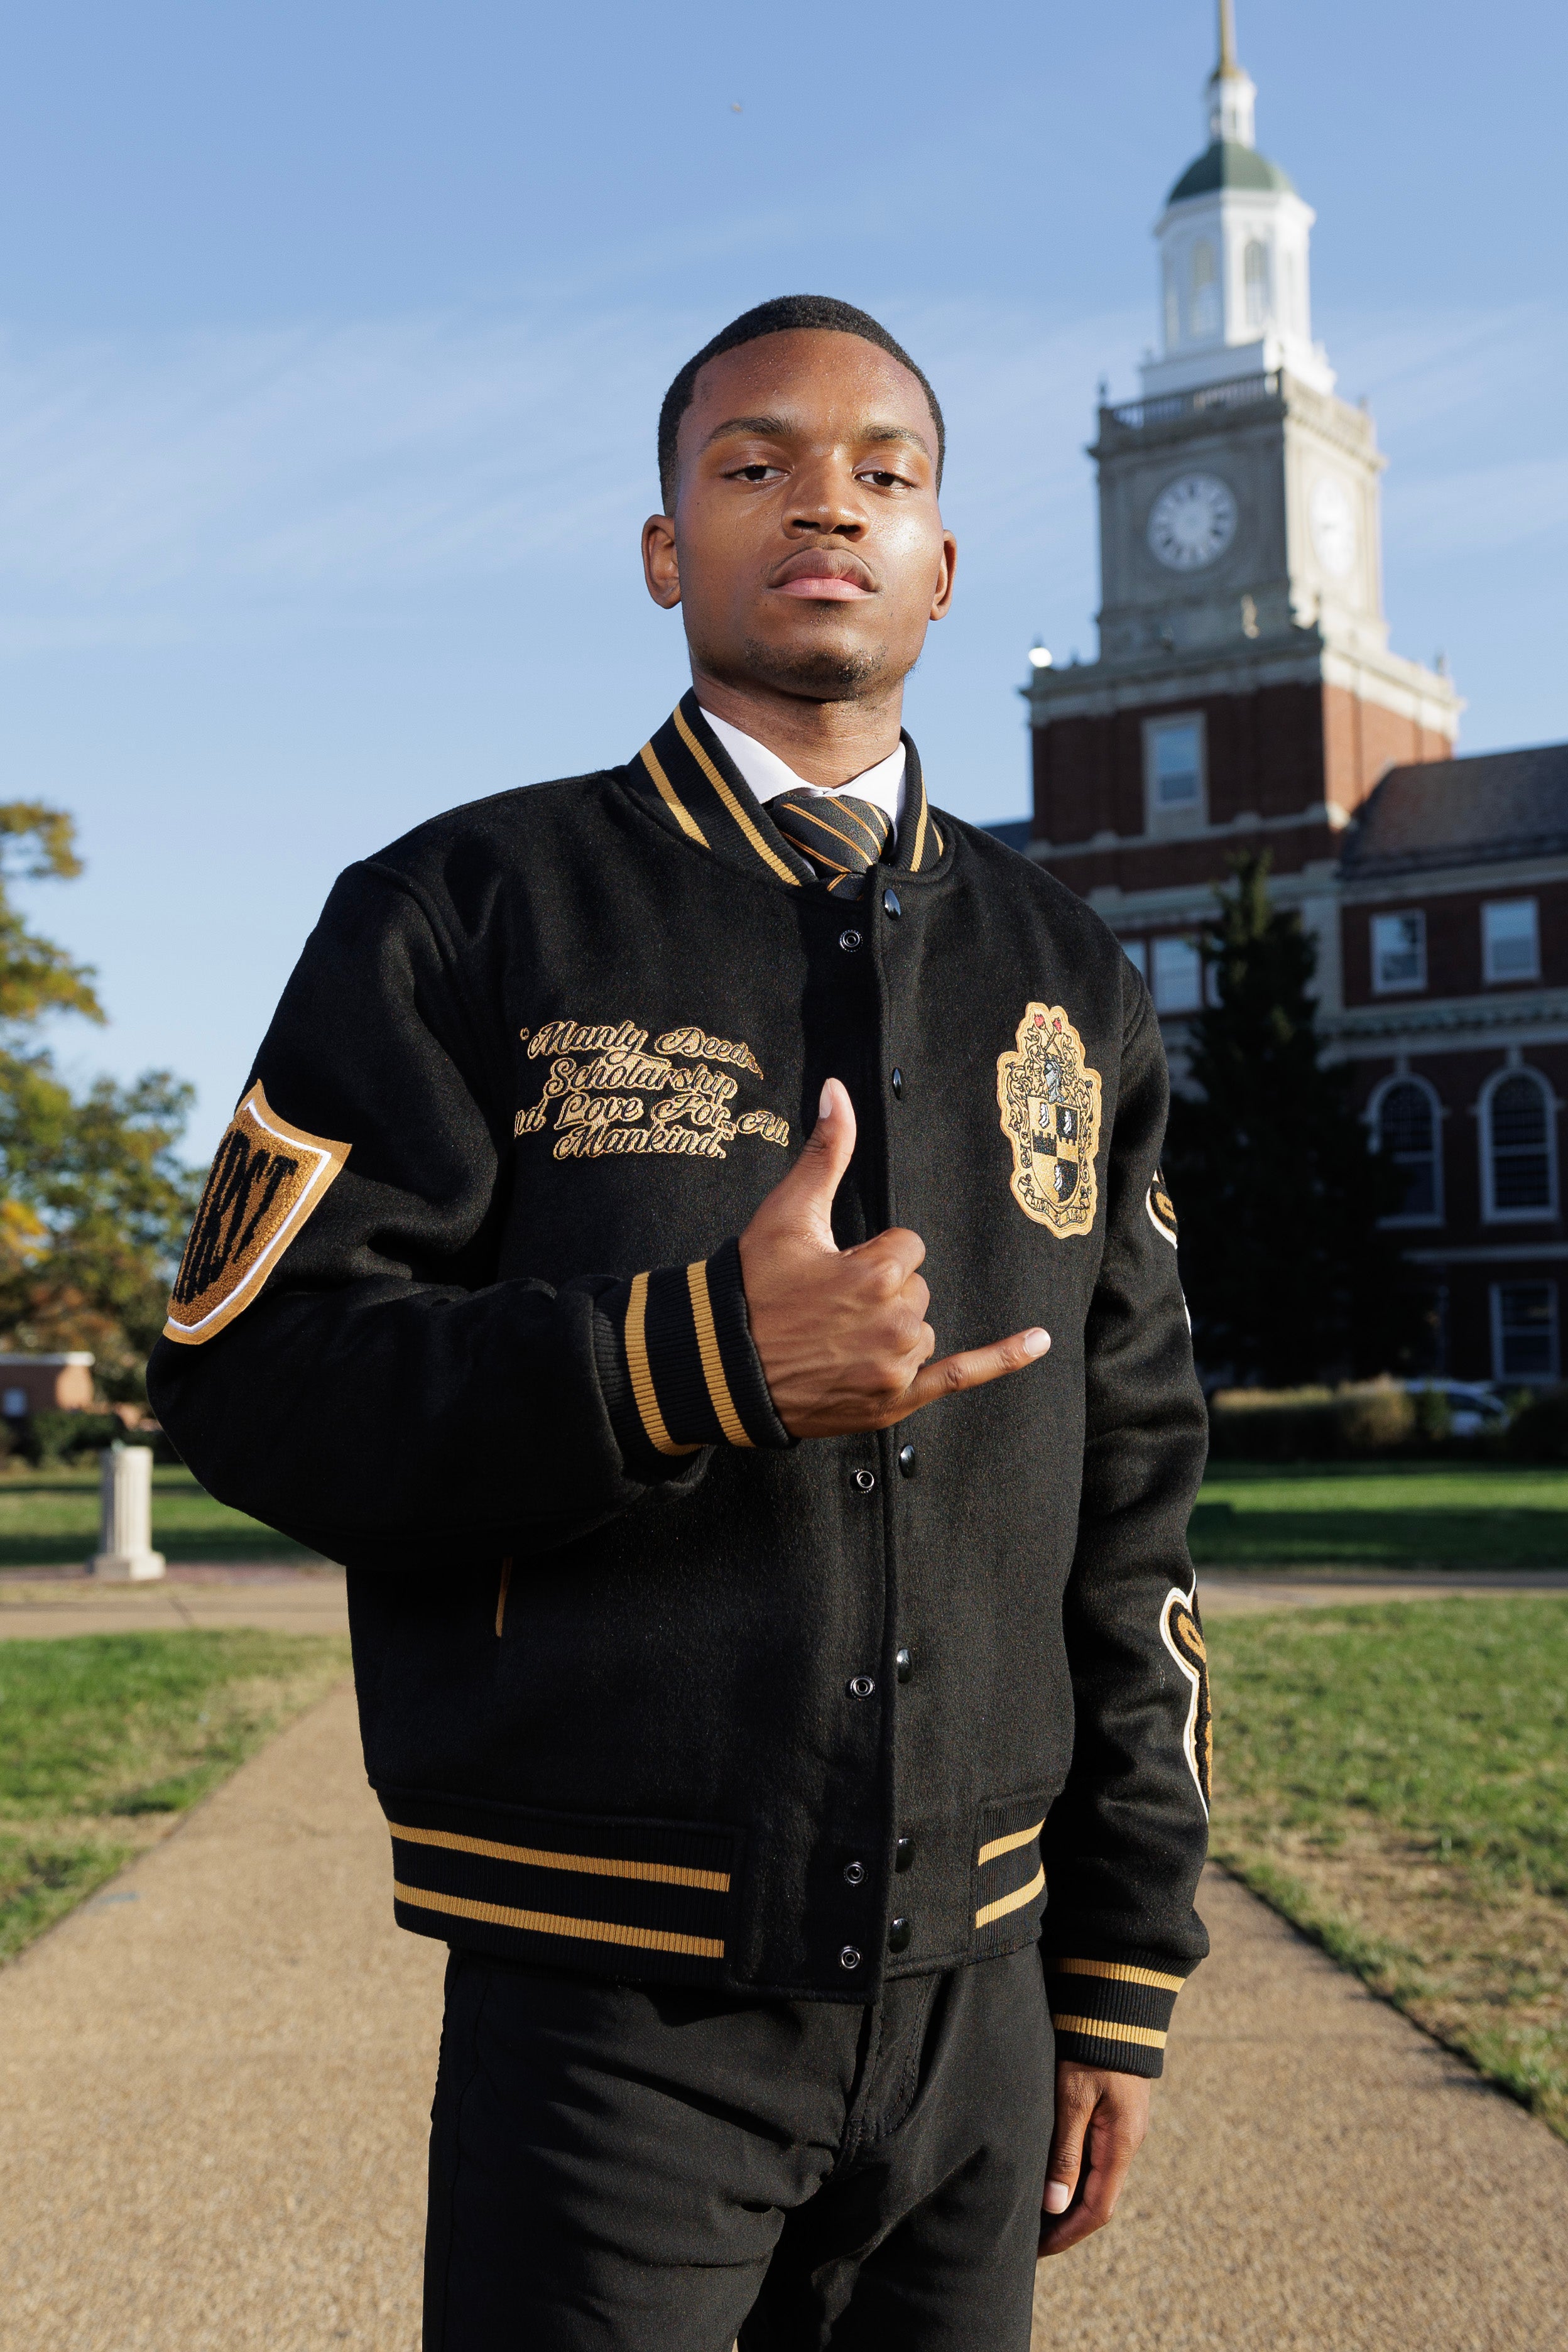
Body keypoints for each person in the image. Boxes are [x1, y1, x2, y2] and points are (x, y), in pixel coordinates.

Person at [150, 293, 1211, 2351]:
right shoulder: (464, 909)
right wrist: (689, 1361)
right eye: (753, 465)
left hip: (984, 2018)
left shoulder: (1073, 974)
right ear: (664, 550)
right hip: (609, 2013)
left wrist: (1122, 1966)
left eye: (885, 473)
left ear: (943, 565)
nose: (827, 503)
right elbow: (250, 1372)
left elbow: (1139, 1486)